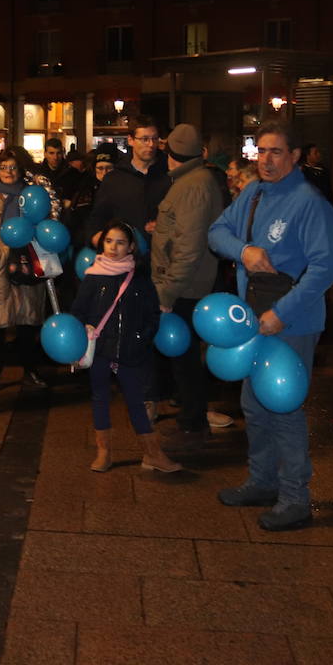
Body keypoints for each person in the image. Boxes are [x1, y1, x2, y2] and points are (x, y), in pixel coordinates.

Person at [208, 123, 333, 532]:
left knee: (283, 406)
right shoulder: (254, 193)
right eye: (261, 151)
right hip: (252, 318)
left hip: (291, 322)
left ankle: (295, 497)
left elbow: (326, 267)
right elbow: (217, 232)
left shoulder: (309, 203)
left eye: (276, 152)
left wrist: (282, 312)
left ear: (295, 156)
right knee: (253, 405)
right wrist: (243, 250)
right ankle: (261, 481)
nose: (265, 159)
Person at [74, 220, 180, 473]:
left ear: (131, 247)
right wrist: (84, 329)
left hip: (130, 352)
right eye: (109, 241)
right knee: (100, 398)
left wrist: (140, 339)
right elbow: (78, 310)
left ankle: (152, 453)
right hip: (99, 349)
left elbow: (152, 315)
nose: (113, 247)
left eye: (120, 242)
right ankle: (104, 452)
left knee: (136, 400)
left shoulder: (140, 279)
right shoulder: (93, 276)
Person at [151, 124, 228, 446]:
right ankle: (190, 417)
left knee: (185, 359)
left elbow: (189, 247)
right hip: (186, 283)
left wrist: (167, 293)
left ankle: (192, 421)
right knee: (183, 358)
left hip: (185, 287)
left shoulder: (193, 186)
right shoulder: (194, 181)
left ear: (170, 156)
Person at [0, 148, 47, 392]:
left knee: (28, 324)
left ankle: (30, 371)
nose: (8, 172)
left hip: (26, 263)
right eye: (4, 167)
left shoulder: (31, 198)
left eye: (13, 167)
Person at [86, 119, 169, 247]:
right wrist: (97, 239)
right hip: (123, 258)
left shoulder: (169, 175)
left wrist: (166, 225)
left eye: (155, 138)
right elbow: (98, 217)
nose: (151, 144)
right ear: (130, 140)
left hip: (162, 254)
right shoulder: (114, 179)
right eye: (145, 139)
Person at [69, 145, 118, 241]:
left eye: (109, 168)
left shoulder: (121, 188)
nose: (104, 173)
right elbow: (78, 220)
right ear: (94, 169)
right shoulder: (86, 189)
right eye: (100, 168)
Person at [41, 137, 82, 205]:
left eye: (58, 153)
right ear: (45, 154)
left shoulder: (73, 173)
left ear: (63, 153)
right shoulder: (39, 173)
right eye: (51, 153)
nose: (55, 157)